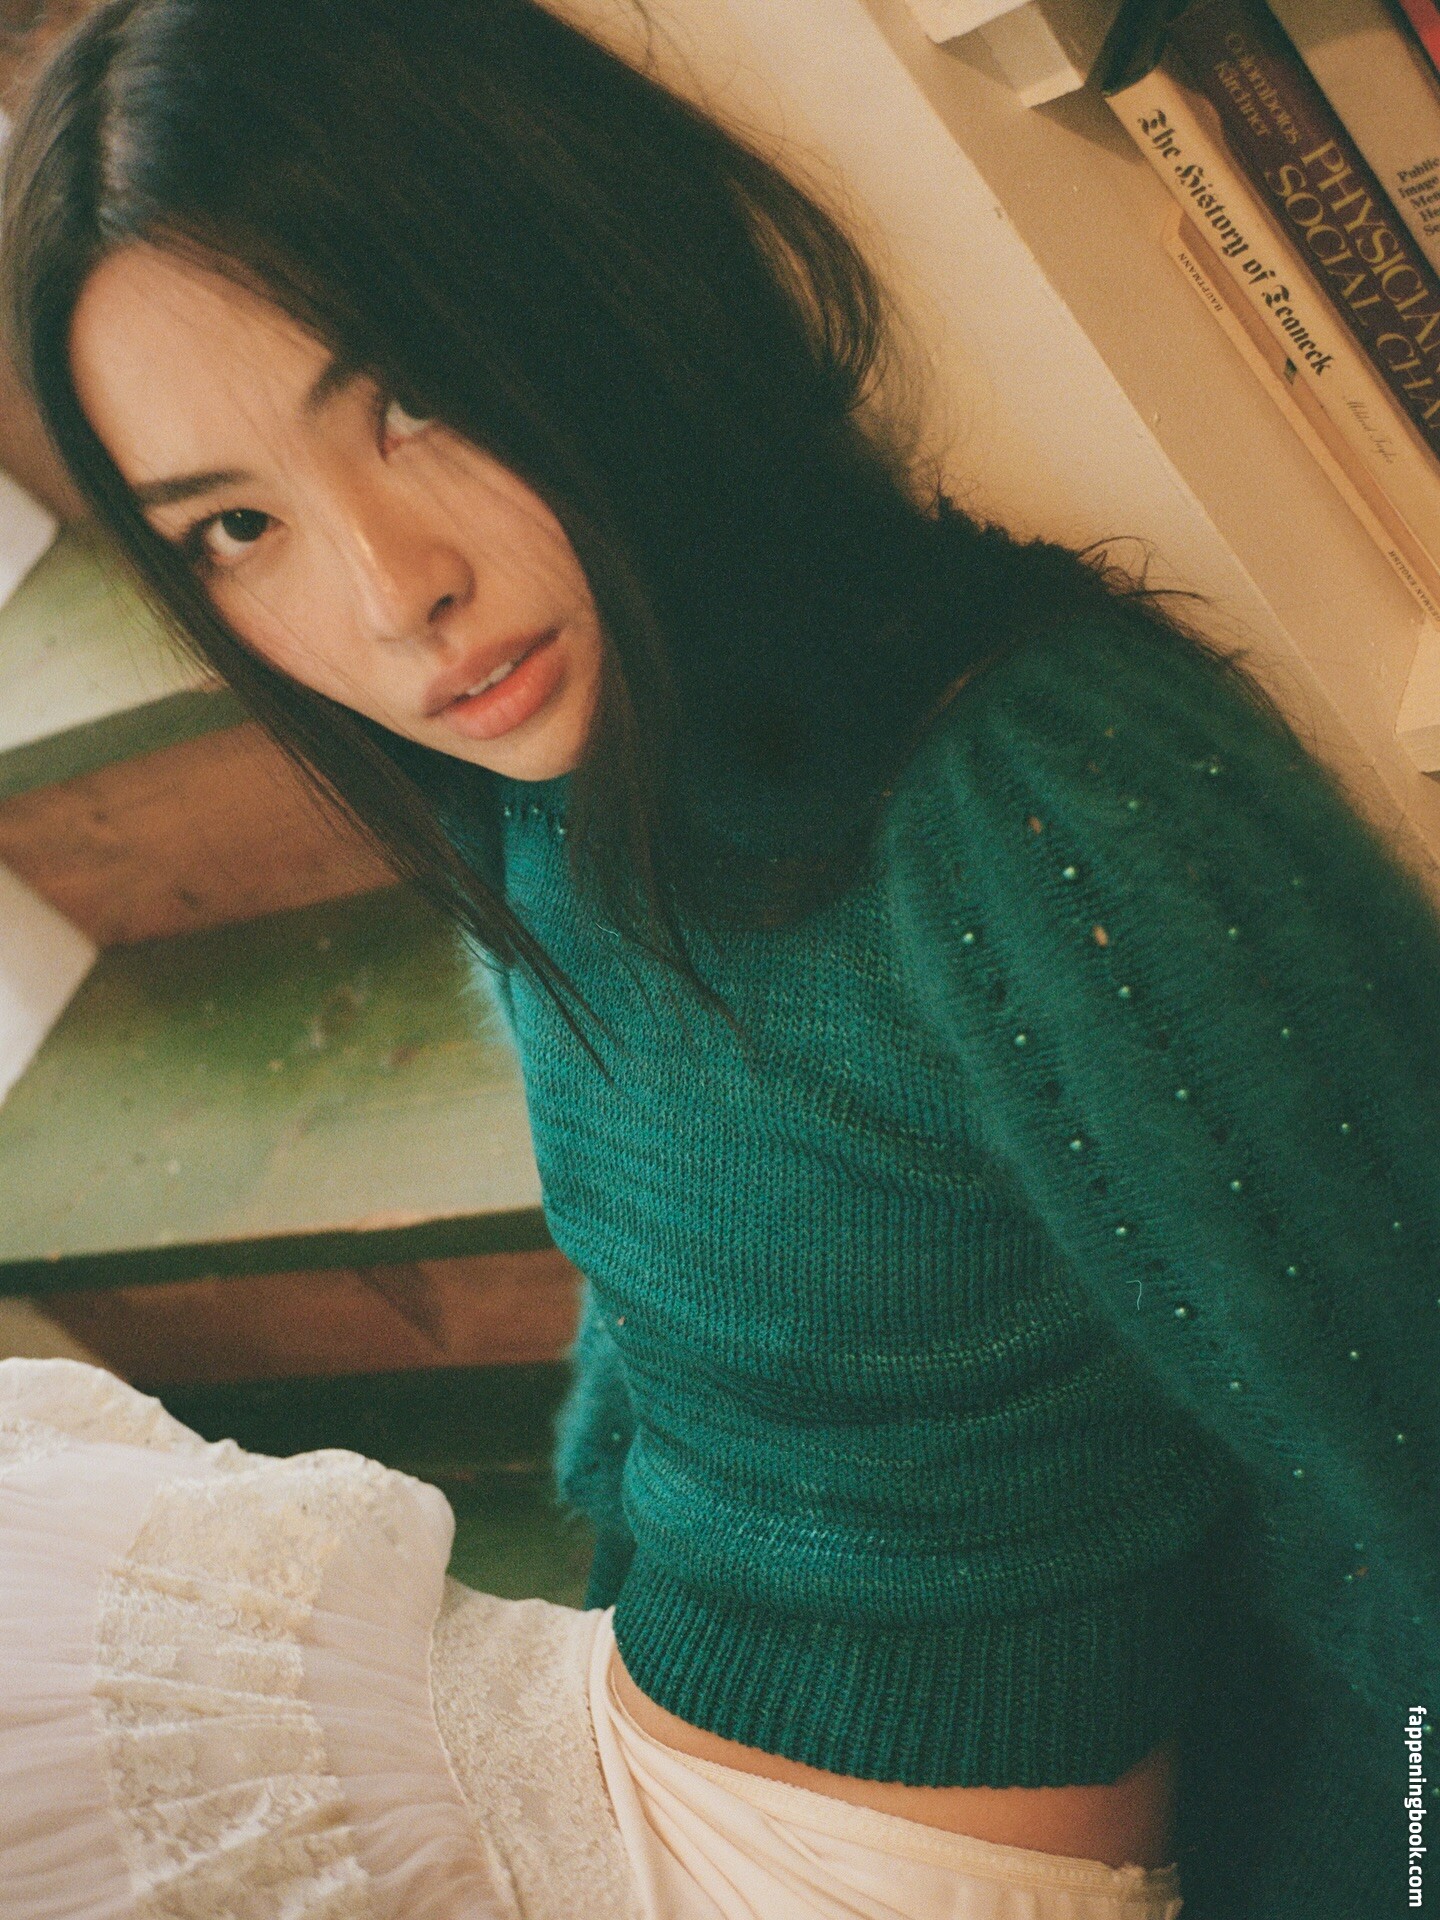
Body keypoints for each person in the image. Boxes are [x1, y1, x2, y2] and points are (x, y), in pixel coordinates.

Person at [0, 0, 1435, 1914]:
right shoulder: (537, 792)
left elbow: (1405, 1472)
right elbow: (661, 1354)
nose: (389, 594)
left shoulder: (1022, 802)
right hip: (628, 1719)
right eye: (238, 525)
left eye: (416, 396)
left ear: (592, 267)